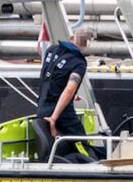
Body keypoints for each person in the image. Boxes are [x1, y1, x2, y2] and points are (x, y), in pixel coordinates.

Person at [36, 27, 97, 162]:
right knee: (83, 144)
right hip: (62, 114)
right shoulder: (79, 63)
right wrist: (54, 118)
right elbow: (69, 90)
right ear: (86, 45)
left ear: (71, 37)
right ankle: (93, 167)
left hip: (41, 109)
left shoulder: (51, 50)